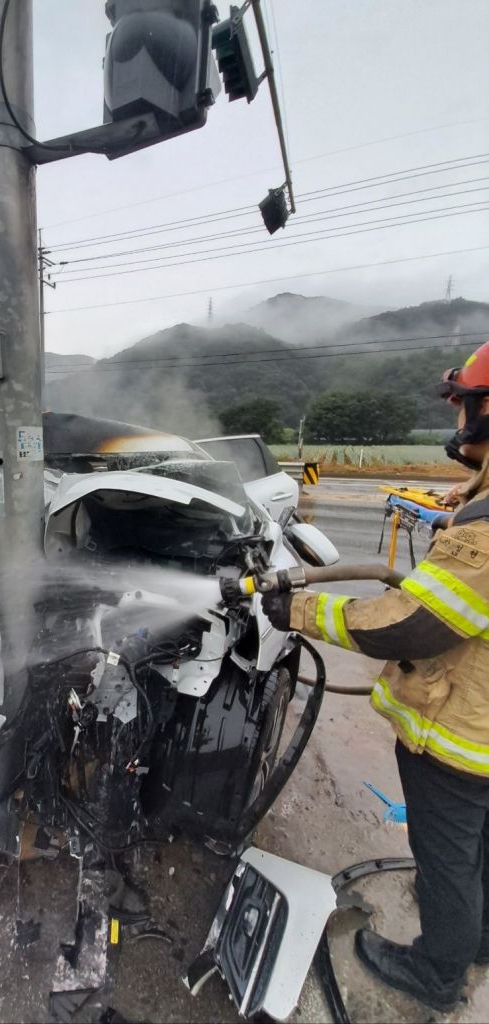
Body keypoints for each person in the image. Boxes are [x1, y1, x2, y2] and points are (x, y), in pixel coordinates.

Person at [261, 341, 489, 1013]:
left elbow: (409, 624)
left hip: (463, 737)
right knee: (479, 845)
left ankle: (436, 972)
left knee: (445, 856)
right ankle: (477, 938)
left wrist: (300, 610)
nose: (455, 419)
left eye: (463, 405)